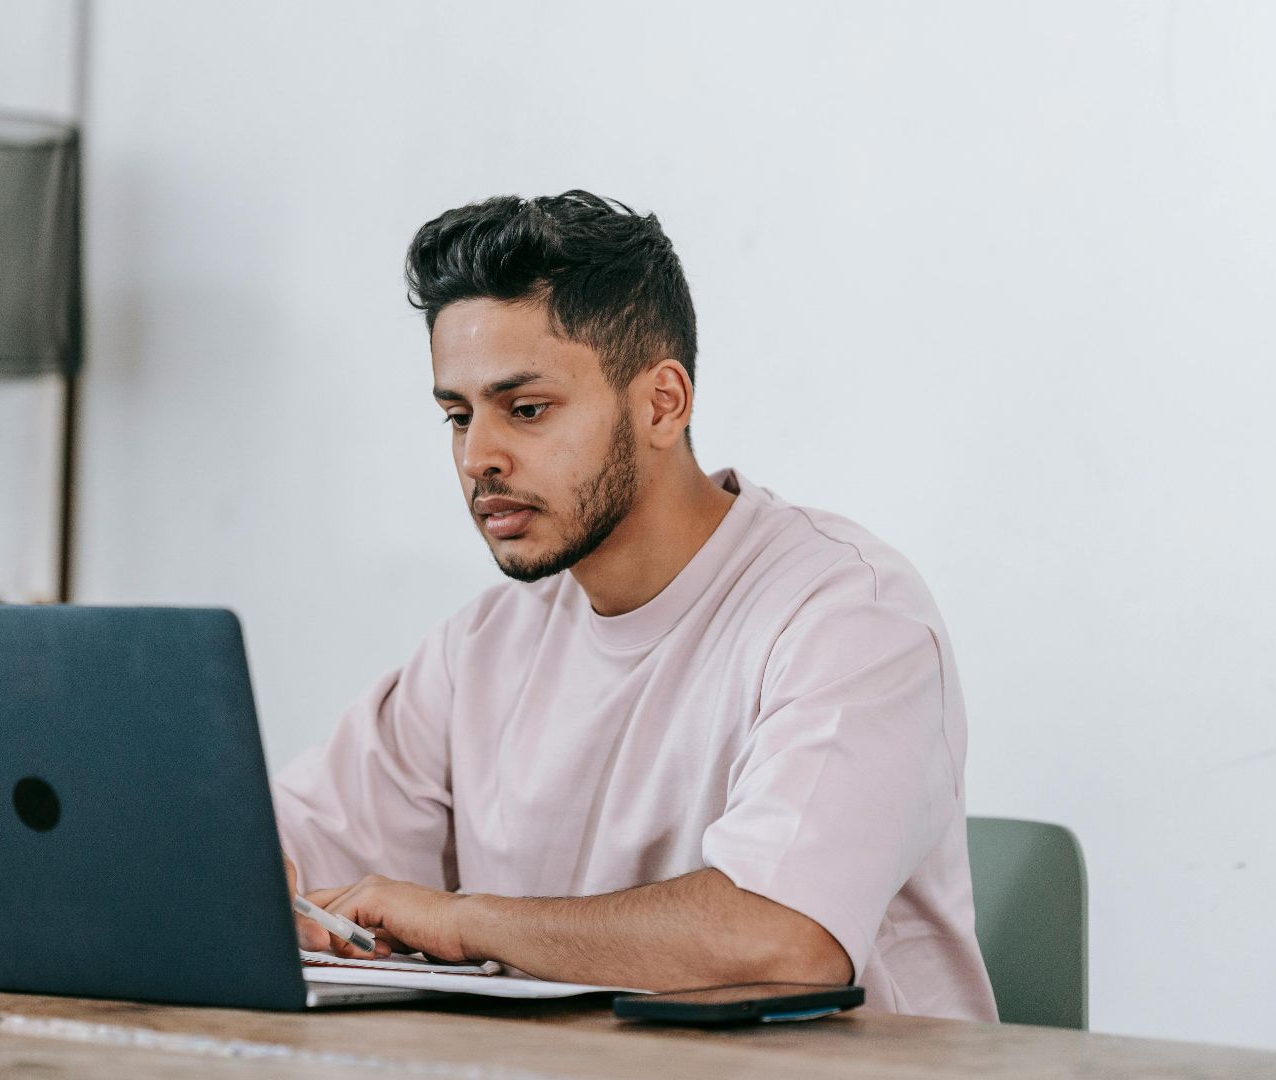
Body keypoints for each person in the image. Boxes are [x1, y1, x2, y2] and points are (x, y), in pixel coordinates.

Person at [273, 191, 997, 1021]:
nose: (478, 458)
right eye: (457, 415)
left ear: (662, 403)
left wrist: (463, 919)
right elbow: (276, 849)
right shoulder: (483, 646)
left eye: (527, 409)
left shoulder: (850, 616)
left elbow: (786, 940)